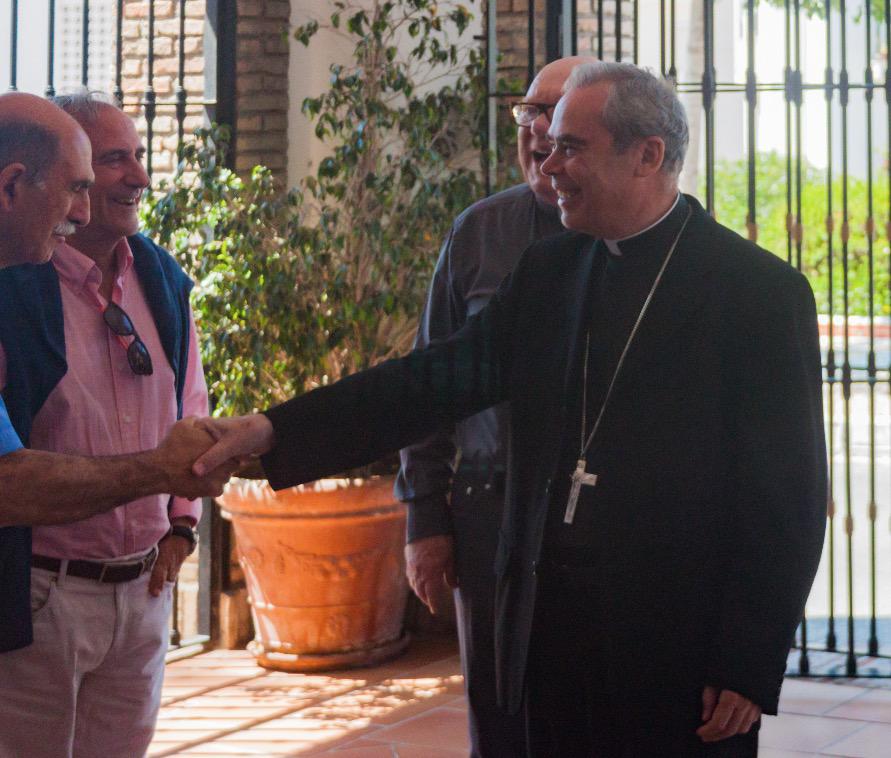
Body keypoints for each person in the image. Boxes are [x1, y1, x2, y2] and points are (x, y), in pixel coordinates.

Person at [194, 62, 826, 756]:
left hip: (676, 648)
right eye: (547, 142)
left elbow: (786, 500)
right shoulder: (551, 273)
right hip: (548, 634)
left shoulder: (758, 294)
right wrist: (274, 429)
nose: (546, 162)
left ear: (647, 154)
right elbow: (430, 381)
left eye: (570, 147)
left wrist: (745, 661)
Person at [0, 90, 217, 758]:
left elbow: (191, 404)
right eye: (102, 167)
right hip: (40, 594)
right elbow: (7, 482)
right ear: (15, 186)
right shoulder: (14, 281)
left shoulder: (160, 277)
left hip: (141, 589)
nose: (140, 178)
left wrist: (180, 524)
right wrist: (157, 472)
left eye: (138, 157)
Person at [397, 55, 595, 757]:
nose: (538, 131)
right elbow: (426, 386)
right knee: (500, 721)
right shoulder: (477, 232)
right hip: (487, 514)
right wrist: (425, 519)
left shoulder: (635, 240)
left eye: (559, 113)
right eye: (528, 113)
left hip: (601, 521)